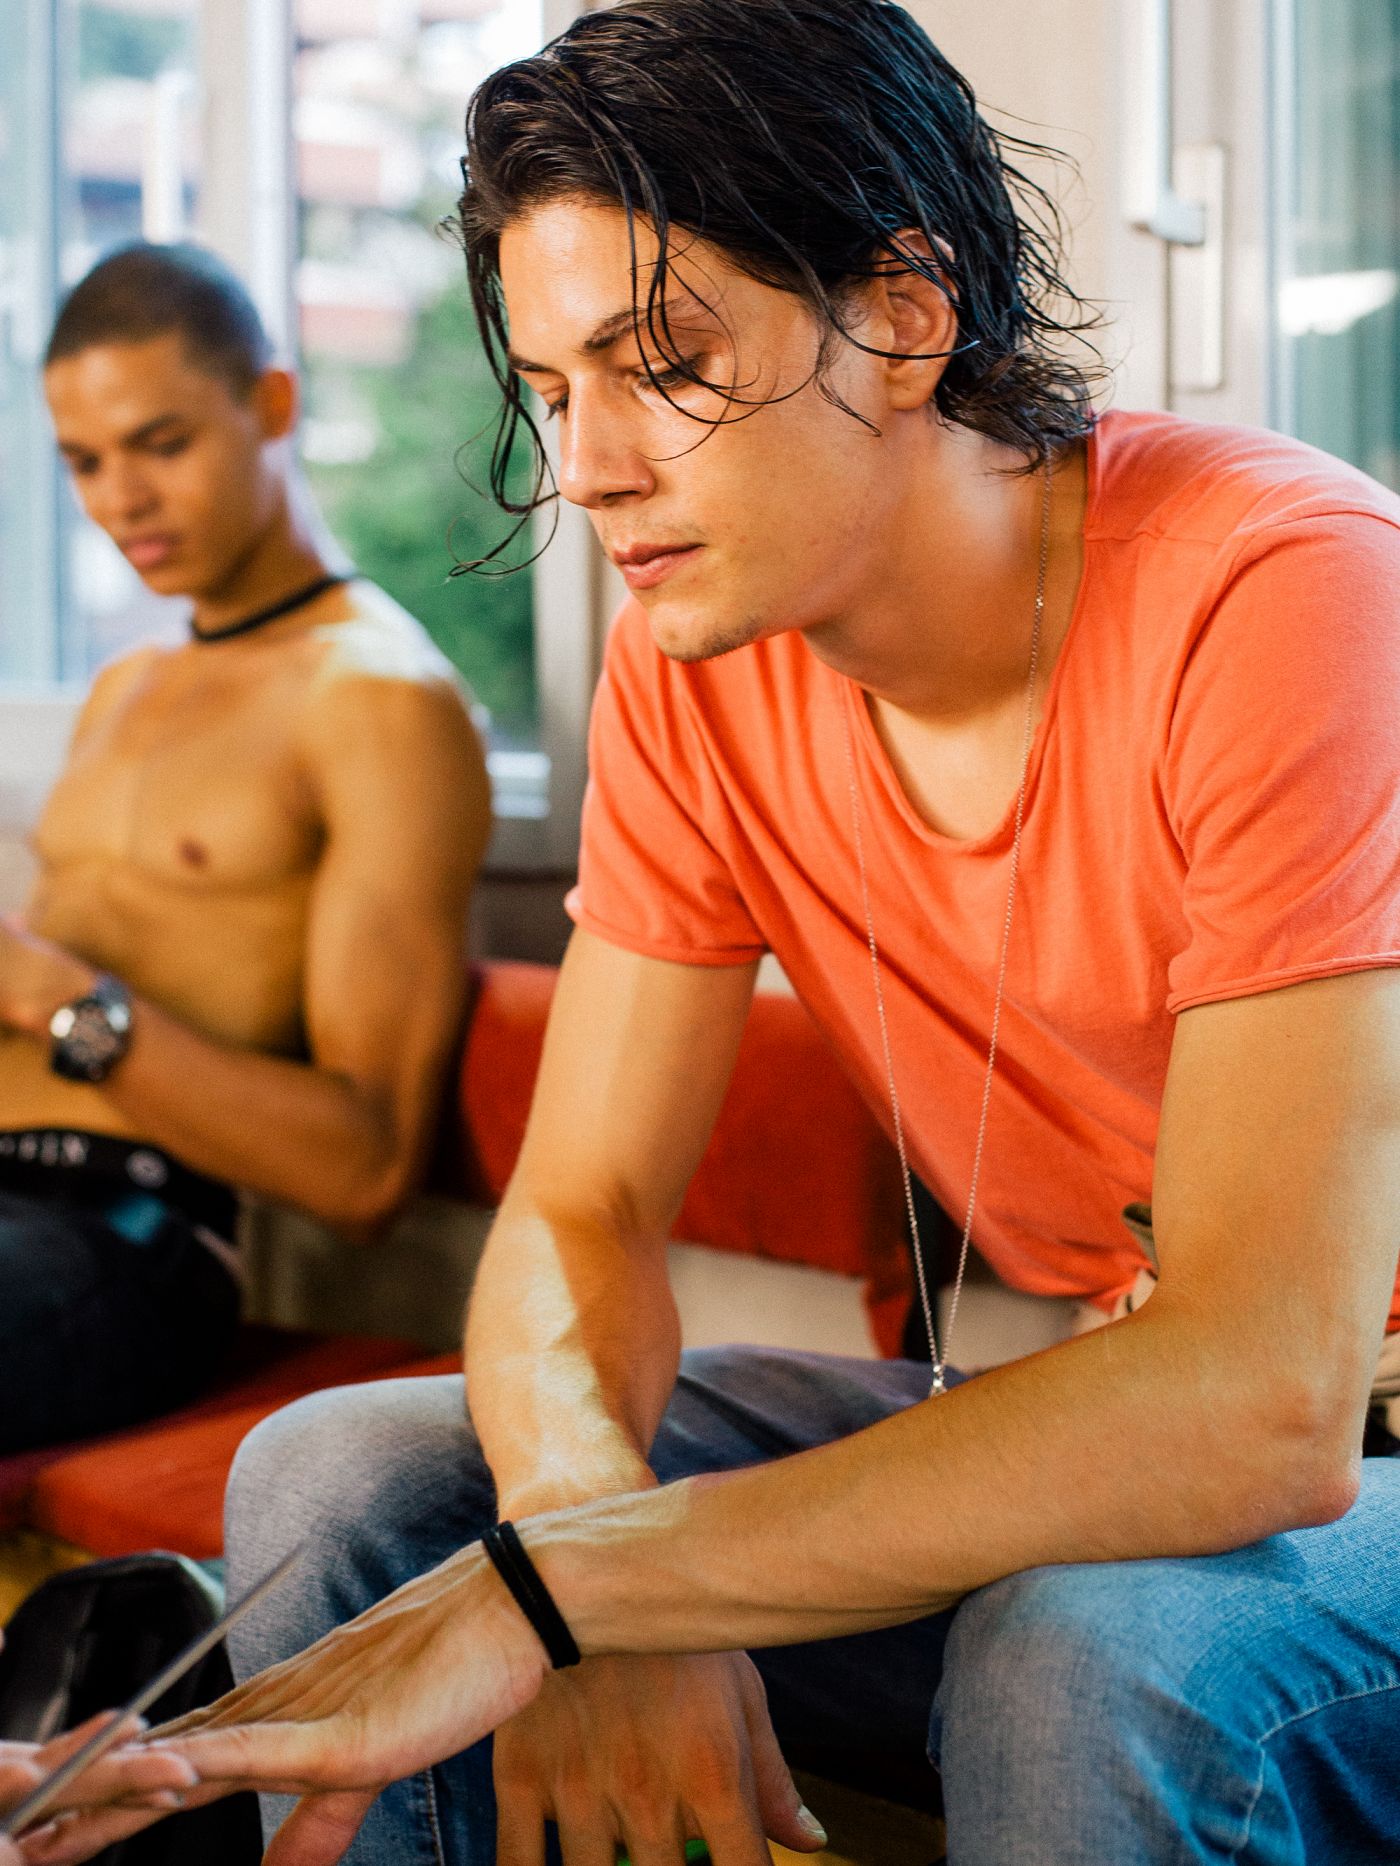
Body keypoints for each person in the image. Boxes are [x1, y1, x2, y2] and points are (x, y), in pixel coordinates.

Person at [28, 3, 1400, 1863]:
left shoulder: (1288, 593)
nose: (586, 468)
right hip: (1141, 1411)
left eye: (662, 362)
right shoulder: (696, 664)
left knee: (1093, 1652)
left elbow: (1262, 1398)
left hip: (1332, 1444)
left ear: (905, 315)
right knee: (353, 1475)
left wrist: (569, 1590)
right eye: (550, 389)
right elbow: (580, 1211)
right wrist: (578, 1539)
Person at [0, 241, 491, 1455]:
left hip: (122, 1231)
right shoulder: (123, 688)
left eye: (161, 444)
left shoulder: (375, 699)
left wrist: (56, 999)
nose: (121, 499)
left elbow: (366, 1171)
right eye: (85, 462)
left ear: (271, 404)